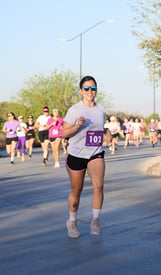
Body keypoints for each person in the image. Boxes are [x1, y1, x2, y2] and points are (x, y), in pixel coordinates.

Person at [62, 75, 106, 238]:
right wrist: (77, 125)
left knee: (98, 186)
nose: (90, 91)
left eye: (93, 88)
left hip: (95, 152)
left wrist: (106, 133)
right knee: (77, 189)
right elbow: (64, 132)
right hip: (76, 154)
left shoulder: (101, 110)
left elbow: (100, 128)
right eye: (86, 88)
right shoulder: (75, 110)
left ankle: (95, 220)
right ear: (81, 91)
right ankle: (72, 221)